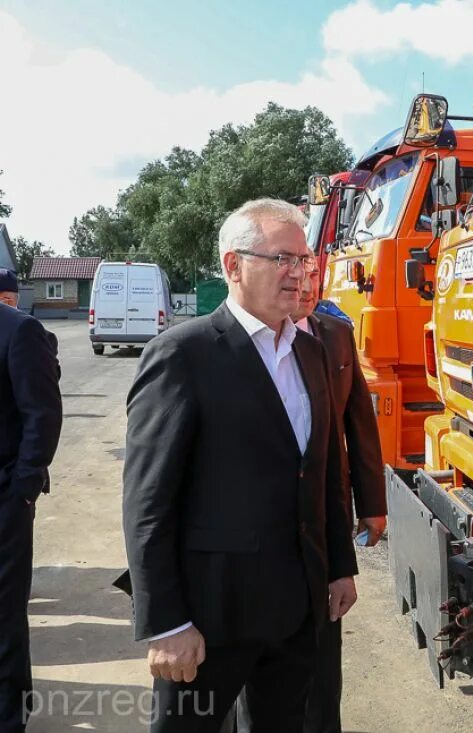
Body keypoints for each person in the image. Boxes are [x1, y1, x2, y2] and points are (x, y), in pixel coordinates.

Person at [122, 199, 358, 732]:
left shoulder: (311, 350)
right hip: (210, 617)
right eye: (282, 259)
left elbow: (323, 467)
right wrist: (165, 622)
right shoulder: (183, 354)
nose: (298, 274)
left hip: (298, 611)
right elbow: (147, 501)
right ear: (233, 265)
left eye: (304, 260)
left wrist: (340, 563)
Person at [235, 254, 386, 733]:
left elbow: (357, 426)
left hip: (323, 519)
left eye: (314, 274)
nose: (304, 283)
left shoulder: (335, 337)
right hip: (253, 535)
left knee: (322, 657)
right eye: (293, 271)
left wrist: (373, 505)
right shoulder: (226, 346)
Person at [0, 267, 62, 732]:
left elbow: (41, 415)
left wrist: (21, 489)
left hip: (3, 500)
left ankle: (8, 717)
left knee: (2, 616)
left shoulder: (20, 331)